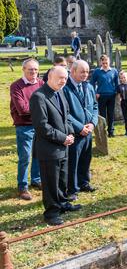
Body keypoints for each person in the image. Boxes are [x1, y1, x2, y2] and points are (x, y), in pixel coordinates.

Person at [30, 66, 82, 226]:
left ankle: (63, 203)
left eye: (65, 78)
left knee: (62, 180)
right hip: (49, 149)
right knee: (51, 183)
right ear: (49, 77)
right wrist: (63, 138)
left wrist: (71, 134)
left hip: (64, 146)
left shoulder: (60, 92)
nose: (63, 81)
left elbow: (66, 116)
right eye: (60, 78)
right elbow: (42, 126)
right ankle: (51, 213)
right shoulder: (39, 97)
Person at [63, 60, 99, 201]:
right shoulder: (65, 89)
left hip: (88, 131)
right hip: (74, 132)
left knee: (86, 158)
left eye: (87, 71)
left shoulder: (89, 86)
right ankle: (71, 189)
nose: (85, 74)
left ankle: (84, 182)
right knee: (73, 162)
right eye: (82, 72)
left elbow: (95, 106)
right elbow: (65, 113)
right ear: (72, 71)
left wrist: (92, 124)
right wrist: (79, 127)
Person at [9, 58, 44, 200]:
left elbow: (47, 102)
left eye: (36, 69)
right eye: (30, 69)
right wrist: (41, 108)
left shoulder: (41, 83)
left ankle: (36, 180)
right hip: (24, 126)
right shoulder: (16, 86)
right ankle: (22, 186)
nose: (34, 72)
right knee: (25, 157)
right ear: (23, 70)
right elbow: (22, 109)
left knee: (37, 154)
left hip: (40, 125)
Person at [90, 54, 119, 138]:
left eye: (106, 63)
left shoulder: (114, 71)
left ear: (109, 62)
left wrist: (117, 92)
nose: (105, 65)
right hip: (101, 96)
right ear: (100, 63)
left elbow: (117, 83)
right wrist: (95, 92)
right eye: (103, 63)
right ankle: (103, 132)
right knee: (102, 115)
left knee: (111, 114)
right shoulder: (97, 71)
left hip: (111, 95)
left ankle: (111, 131)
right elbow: (91, 83)